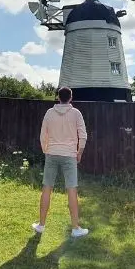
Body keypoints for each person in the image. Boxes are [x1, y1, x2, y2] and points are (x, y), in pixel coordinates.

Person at [32, 86, 89, 238]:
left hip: (51, 153)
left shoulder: (49, 113)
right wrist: (79, 153)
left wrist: (46, 150)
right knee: (72, 190)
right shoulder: (76, 113)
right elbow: (83, 135)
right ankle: (76, 228)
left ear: (58, 97)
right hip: (69, 155)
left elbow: (43, 134)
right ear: (70, 98)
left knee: (46, 188)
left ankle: (41, 225)